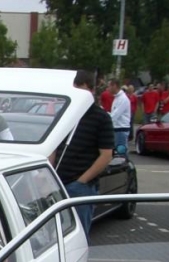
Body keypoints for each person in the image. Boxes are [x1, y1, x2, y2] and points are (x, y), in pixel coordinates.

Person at [53, 69, 114, 236]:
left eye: (82, 90)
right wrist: (47, 174)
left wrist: (81, 181)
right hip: (57, 181)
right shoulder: (65, 114)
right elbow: (54, 146)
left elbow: (106, 155)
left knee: (77, 235)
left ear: (92, 90)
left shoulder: (101, 118)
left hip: (80, 186)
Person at [107, 78, 130, 154]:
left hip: (121, 129)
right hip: (117, 129)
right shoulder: (117, 98)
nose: (108, 89)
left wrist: (106, 119)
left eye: (109, 86)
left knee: (120, 153)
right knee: (117, 153)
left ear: (114, 86)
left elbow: (115, 115)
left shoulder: (122, 99)